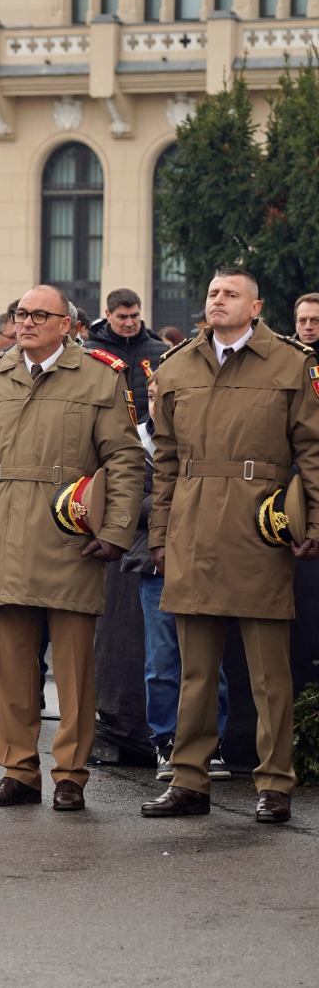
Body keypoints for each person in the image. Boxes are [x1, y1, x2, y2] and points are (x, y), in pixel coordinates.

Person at [0, 285, 144, 811]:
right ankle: (18, 770)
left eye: (41, 314)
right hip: (6, 534)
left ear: (68, 325)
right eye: (21, 314)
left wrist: (115, 532)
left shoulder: (99, 377)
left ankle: (70, 774)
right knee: (12, 666)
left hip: (71, 538)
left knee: (76, 671)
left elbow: (124, 460)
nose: (28, 322)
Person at [142, 267, 319, 825]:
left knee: (270, 672)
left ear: (256, 305)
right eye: (213, 292)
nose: (217, 300)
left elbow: (313, 451)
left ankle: (274, 783)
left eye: (230, 294)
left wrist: (312, 522)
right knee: (195, 669)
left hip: (258, 526)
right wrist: (160, 534)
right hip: (192, 528)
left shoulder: (294, 364)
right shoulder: (177, 366)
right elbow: (165, 462)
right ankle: (189, 778)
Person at [129, 374, 231, 781]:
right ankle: (166, 742)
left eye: (164, 397)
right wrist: (181, 495)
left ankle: (211, 742)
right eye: (152, 397)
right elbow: (127, 502)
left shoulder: (203, 433)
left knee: (209, 660)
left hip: (205, 560)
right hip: (156, 566)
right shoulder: (136, 440)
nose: (158, 404)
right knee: (162, 660)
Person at [84, 288, 168, 425]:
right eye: (122, 317)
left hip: (151, 435)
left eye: (134, 316)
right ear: (108, 315)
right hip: (106, 435)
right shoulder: (90, 352)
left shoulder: (161, 352)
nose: (129, 323)